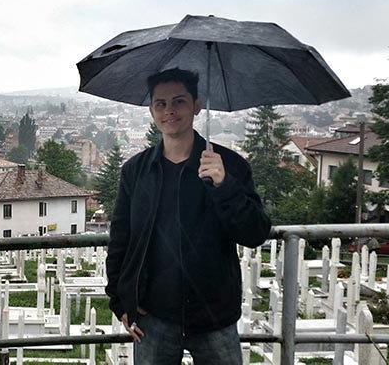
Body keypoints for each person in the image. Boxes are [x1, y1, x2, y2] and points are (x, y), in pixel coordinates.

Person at [105, 67, 271, 364]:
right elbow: (121, 239)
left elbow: (255, 233)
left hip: (214, 316)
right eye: (161, 103)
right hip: (153, 317)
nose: (169, 111)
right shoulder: (136, 171)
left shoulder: (229, 165)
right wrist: (120, 301)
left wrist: (224, 185)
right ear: (151, 110)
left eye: (179, 101)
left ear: (197, 105)